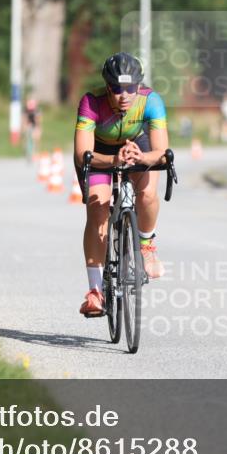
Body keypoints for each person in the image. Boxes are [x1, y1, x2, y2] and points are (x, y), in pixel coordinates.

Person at [74, 52, 169, 317]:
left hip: (139, 146)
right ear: (107, 87)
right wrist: (113, 159)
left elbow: (162, 151)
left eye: (130, 88)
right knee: (97, 210)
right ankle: (95, 291)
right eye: (116, 88)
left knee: (148, 195)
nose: (124, 94)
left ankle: (147, 245)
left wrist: (142, 157)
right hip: (100, 152)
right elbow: (83, 154)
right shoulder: (91, 103)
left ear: (139, 86)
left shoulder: (151, 101)